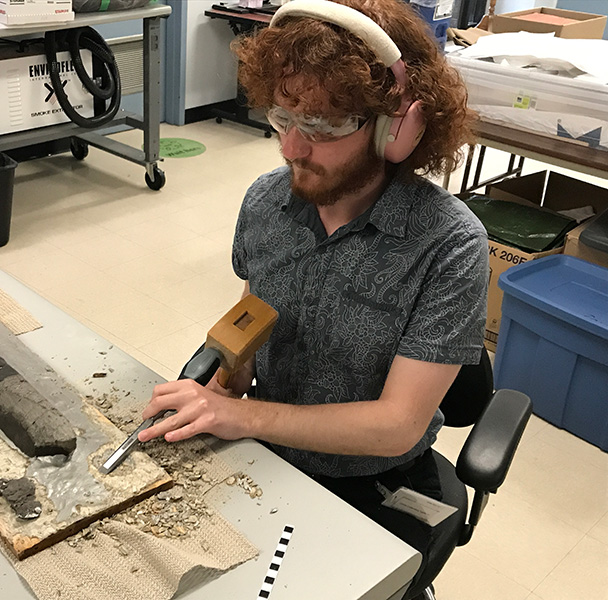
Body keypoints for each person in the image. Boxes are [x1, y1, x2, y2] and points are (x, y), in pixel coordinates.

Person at [138, 0, 488, 590]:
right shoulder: (265, 202)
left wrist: (242, 414)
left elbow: (397, 425)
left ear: (397, 125)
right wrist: (225, 381)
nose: (293, 149)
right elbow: (255, 320)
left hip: (372, 478)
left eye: (324, 127)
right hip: (263, 452)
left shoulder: (448, 244)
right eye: (281, 118)